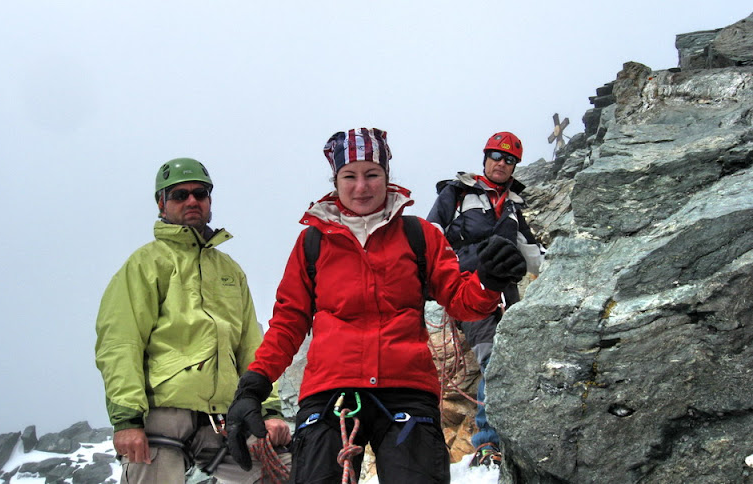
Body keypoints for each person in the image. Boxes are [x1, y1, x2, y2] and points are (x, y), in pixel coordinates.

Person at [224, 128, 527, 483]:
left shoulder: (420, 235)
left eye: (371, 174)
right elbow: (288, 323)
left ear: (387, 176)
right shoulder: (311, 243)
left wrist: (488, 280)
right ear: (335, 181)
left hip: (406, 389)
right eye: (349, 176)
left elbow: (462, 302)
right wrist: (254, 385)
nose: (361, 187)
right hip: (330, 391)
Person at [95, 158, 291, 483]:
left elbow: (251, 348)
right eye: (179, 195)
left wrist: (268, 411)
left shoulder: (229, 270)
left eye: (200, 193)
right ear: (161, 203)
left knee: (293, 472)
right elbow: (121, 342)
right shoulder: (145, 264)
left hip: (227, 417)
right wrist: (127, 421)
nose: (191, 201)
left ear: (209, 200)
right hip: (162, 415)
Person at [426, 131, 545, 467]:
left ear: (514, 167)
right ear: (485, 158)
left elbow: (533, 254)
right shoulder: (457, 192)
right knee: (493, 355)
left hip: (505, 293)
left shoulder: (513, 206)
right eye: (496, 156)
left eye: (509, 159)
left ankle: (509, 438)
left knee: (512, 357)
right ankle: (487, 443)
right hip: (466, 289)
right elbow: (432, 235)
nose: (501, 163)